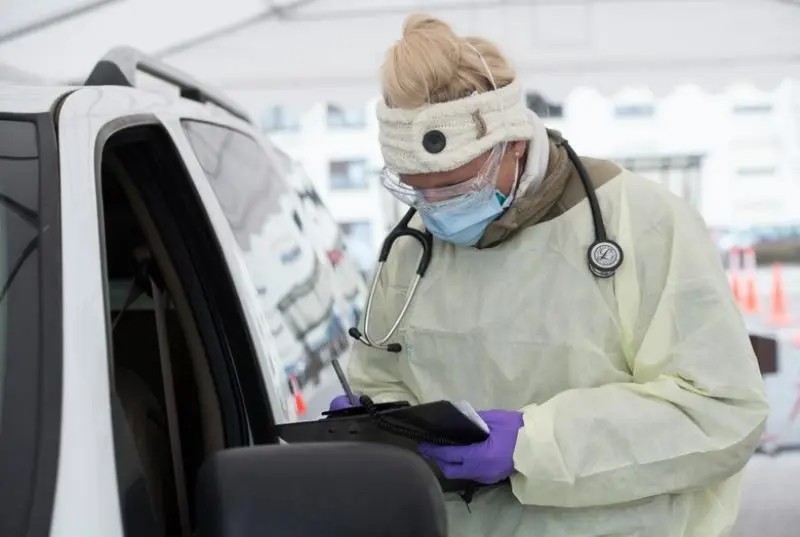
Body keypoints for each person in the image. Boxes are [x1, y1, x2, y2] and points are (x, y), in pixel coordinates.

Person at [331, 13, 768, 537]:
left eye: (455, 187)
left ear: (513, 143)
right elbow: (382, 376)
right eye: (416, 189)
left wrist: (533, 444)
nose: (436, 207)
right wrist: (376, 422)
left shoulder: (643, 222)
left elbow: (720, 410)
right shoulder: (411, 250)